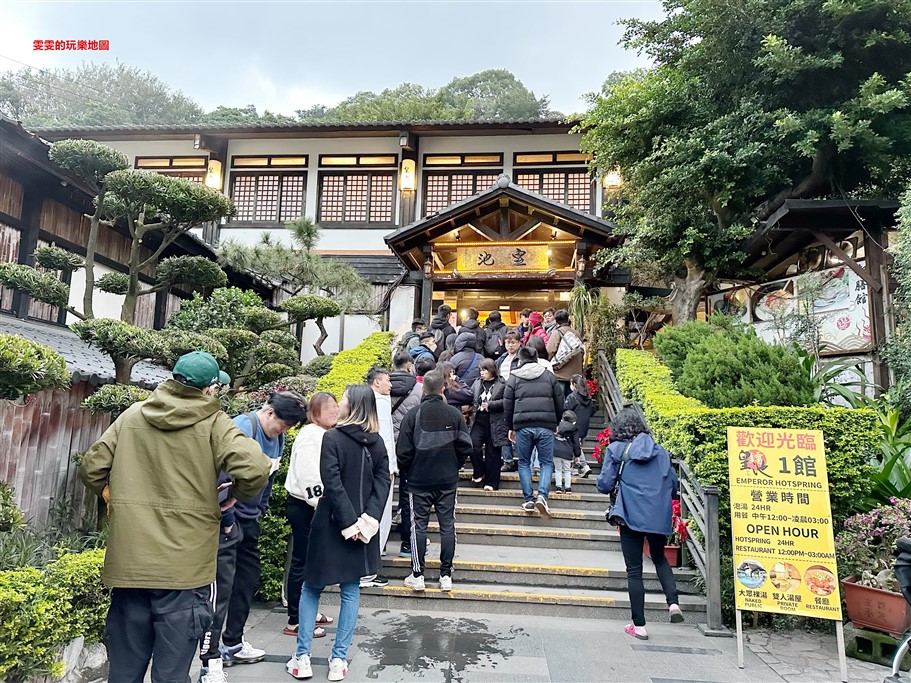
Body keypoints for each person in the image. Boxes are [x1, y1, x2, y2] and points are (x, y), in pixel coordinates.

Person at [79, 351, 270, 683]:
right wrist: (234, 497)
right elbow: (255, 470)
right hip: (186, 572)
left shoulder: (133, 414)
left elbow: (92, 468)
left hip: (130, 567)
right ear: (211, 389)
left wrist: (116, 500)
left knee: (123, 672)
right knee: (171, 674)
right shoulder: (215, 424)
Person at [286, 385, 391, 681]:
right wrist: (367, 522)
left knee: (311, 587)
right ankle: (339, 660)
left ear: (354, 405)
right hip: (363, 529)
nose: (340, 404)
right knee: (350, 590)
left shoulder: (332, 438)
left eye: (343, 400)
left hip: (330, 524)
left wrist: (348, 524)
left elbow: (331, 483)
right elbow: (383, 483)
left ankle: (303, 657)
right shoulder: (377, 442)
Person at [202, 391, 308, 675]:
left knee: (246, 580)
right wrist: (228, 520)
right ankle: (210, 658)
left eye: (288, 428)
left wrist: (258, 512)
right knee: (220, 590)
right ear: (270, 412)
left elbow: (268, 479)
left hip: (249, 520)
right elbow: (221, 481)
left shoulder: (279, 437)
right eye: (282, 424)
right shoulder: (243, 429)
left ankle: (233, 643)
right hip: (227, 521)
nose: (283, 431)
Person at [596, 406, 683, 640]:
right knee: (659, 557)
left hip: (630, 515)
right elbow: (673, 486)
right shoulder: (661, 452)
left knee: (634, 571)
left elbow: (604, 485)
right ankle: (673, 603)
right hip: (658, 514)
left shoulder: (615, 450)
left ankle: (640, 625)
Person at [397, 370, 473, 592]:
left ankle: (418, 574)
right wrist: (454, 465)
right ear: (443, 388)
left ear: (423, 388)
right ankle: (446, 575)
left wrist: (410, 469)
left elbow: (403, 451)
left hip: (419, 479)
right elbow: (465, 446)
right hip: (447, 479)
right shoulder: (454, 414)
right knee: (447, 525)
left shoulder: (413, 415)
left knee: (418, 525)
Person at [283, 392, 339, 639]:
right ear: (315, 412)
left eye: (336, 408)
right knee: (302, 562)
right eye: (329, 409)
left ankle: (307, 610)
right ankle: (296, 619)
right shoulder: (310, 436)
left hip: (311, 506)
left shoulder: (321, 434)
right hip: (305, 506)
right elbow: (309, 478)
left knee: (310, 561)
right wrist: (321, 506)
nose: (335, 412)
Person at [504, 346, 564, 519]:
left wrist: (510, 427)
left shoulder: (514, 377)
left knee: (523, 462)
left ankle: (529, 499)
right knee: (546, 462)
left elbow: (508, 405)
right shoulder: (549, 376)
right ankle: (543, 496)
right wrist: (556, 422)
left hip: (522, 426)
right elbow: (560, 401)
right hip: (546, 426)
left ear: (520, 360)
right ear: (537, 358)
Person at [360, 367, 395, 589]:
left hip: (367, 464)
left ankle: (366, 569)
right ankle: (369, 571)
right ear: (376, 383)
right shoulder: (380, 402)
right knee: (381, 515)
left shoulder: (362, 400)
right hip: (381, 465)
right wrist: (391, 465)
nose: (390, 385)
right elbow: (386, 437)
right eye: (387, 380)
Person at [469, 358, 508, 490]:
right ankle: (479, 471)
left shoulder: (502, 383)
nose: (482, 373)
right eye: (481, 370)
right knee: (473, 445)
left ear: (492, 370)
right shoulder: (476, 383)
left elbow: (507, 401)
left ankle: (491, 482)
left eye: (485, 370)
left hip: (495, 421)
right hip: (478, 420)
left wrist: (491, 405)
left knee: (493, 452)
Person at [496, 331, 522, 472]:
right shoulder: (501, 359)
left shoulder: (522, 358)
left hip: (518, 396)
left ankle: (523, 459)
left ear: (519, 343)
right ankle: (507, 460)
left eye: (513, 342)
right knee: (504, 428)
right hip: (503, 397)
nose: (510, 345)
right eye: (508, 342)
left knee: (518, 429)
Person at [547, 309, 585, 395]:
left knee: (562, 401)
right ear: (568, 319)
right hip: (575, 374)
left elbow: (550, 351)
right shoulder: (576, 333)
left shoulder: (556, 333)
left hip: (561, 374)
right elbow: (581, 351)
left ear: (556, 321)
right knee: (573, 400)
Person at [565, 375, 594, 478]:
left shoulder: (572, 397)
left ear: (574, 385)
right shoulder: (589, 398)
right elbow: (592, 411)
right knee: (577, 446)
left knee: (575, 446)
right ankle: (574, 468)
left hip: (574, 426)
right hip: (584, 426)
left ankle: (584, 465)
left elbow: (566, 411)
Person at [389, 351, 422, 439]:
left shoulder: (383, 387)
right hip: (410, 437)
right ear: (409, 366)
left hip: (389, 437)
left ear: (393, 366)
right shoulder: (419, 388)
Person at [553, 410, 581, 494]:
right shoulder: (574, 429)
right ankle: (568, 487)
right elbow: (576, 443)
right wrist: (577, 455)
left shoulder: (557, 426)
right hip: (567, 453)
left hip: (556, 451)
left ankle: (558, 487)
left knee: (558, 470)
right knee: (567, 470)